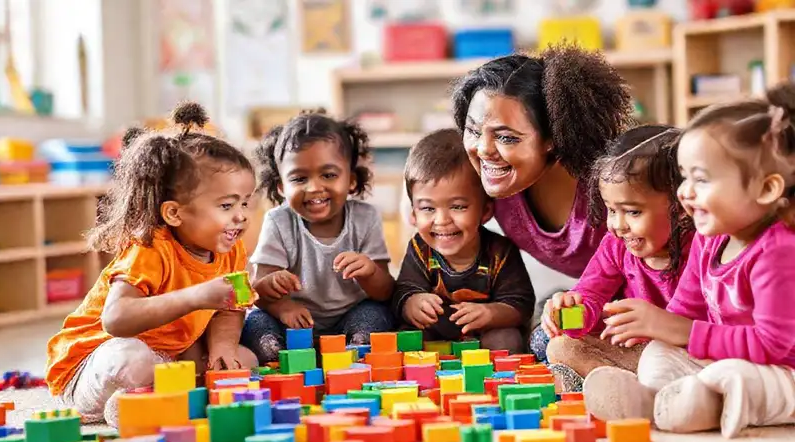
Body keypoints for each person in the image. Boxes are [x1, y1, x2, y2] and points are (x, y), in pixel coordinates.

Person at [583, 82, 795, 439]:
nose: (684, 192)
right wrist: (659, 326)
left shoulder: (779, 252)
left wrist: (682, 330)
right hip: (724, 360)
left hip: (781, 368)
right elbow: (684, 312)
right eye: (684, 177)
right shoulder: (709, 240)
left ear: (766, 189)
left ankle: (705, 406)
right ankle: (654, 400)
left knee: (738, 379)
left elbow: (775, 346)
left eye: (701, 179)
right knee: (660, 351)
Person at [45, 102, 259, 426]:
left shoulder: (230, 249)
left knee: (246, 360)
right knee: (133, 359)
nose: (241, 216)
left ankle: (153, 396)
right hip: (91, 363)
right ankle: (130, 402)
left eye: (245, 202)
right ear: (174, 213)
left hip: (169, 357)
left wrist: (223, 347)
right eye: (227, 205)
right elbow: (116, 320)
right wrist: (197, 296)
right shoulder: (149, 248)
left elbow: (231, 307)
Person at [450, 45, 634, 361]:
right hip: (584, 303)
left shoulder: (612, 187)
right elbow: (422, 174)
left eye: (506, 137)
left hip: (642, 309)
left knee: (547, 345)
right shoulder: (491, 179)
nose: (483, 149)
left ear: (552, 138)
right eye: (473, 131)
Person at [540, 125, 693, 392]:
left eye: (632, 212)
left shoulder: (702, 247)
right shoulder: (616, 245)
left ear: (680, 207)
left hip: (689, 354)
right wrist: (568, 311)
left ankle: (636, 391)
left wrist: (659, 324)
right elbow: (590, 295)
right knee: (556, 344)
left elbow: (710, 326)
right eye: (611, 210)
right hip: (636, 353)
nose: (617, 225)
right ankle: (630, 391)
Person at [241, 111, 394, 363]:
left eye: (329, 175)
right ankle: (281, 356)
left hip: (351, 316)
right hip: (291, 323)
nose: (314, 188)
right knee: (255, 325)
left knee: (376, 317)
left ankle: (353, 349)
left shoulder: (366, 218)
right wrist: (282, 305)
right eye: (299, 178)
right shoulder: (278, 221)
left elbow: (385, 292)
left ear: (351, 180)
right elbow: (257, 292)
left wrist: (369, 272)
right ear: (281, 186)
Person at [393, 129, 534, 353]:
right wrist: (413, 303)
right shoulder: (420, 249)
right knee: (404, 337)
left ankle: (499, 385)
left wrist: (491, 314)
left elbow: (521, 304)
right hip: (436, 335)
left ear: (485, 210)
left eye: (458, 207)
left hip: (485, 337)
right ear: (413, 213)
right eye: (428, 208)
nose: (442, 221)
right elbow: (403, 291)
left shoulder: (500, 251)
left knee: (507, 339)